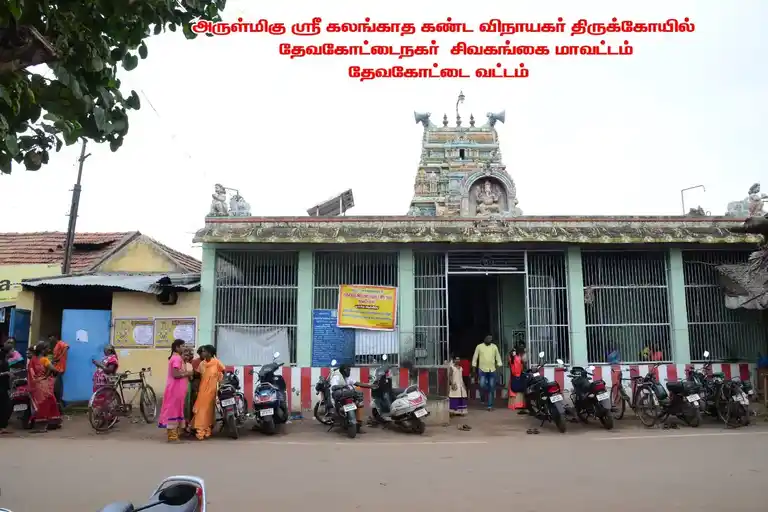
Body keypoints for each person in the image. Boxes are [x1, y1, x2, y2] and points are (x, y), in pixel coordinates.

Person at [158, 339, 192, 442]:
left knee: (177, 410)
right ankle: (172, 436)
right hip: (175, 389)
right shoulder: (176, 358)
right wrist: (188, 373)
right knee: (173, 411)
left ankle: (175, 434)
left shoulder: (178, 358)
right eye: (183, 346)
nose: (184, 348)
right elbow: (176, 374)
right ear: (177, 347)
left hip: (178, 390)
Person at [192, 344, 225, 440]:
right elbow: (198, 375)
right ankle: (200, 431)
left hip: (212, 391)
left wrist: (221, 381)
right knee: (200, 410)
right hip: (202, 390)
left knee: (208, 411)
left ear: (210, 353)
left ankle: (207, 430)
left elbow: (223, 371)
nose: (202, 353)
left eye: (204, 351)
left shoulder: (217, 362)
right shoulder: (202, 364)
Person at [27, 343, 61, 433]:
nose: (48, 350)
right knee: (49, 403)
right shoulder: (44, 359)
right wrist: (53, 371)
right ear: (42, 350)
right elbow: (54, 370)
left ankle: (40, 425)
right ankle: (49, 424)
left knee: (39, 405)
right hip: (44, 385)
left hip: (35, 385)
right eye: (47, 348)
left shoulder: (32, 360)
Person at [329, 363, 366, 433]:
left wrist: (371, 386)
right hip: (338, 397)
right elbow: (333, 387)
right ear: (345, 370)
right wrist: (342, 386)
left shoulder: (347, 378)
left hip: (347, 396)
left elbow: (358, 383)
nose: (349, 372)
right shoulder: (337, 377)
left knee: (358, 394)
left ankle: (358, 424)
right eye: (349, 370)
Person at [471, 335, 502, 411]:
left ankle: (490, 406)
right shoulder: (479, 346)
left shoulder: (494, 347)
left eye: (491, 338)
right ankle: (484, 395)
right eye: (488, 338)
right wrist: (474, 368)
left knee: (491, 387)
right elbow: (475, 357)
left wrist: (498, 366)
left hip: (492, 370)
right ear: (484, 338)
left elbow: (498, 357)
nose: (489, 339)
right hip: (482, 370)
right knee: (482, 385)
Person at [48, 334, 69, 408]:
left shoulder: (60, 343)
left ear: (55, 337)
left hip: (60, 368)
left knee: (57, 385)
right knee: (57, 384)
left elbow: (66, 347)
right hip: (56, 367)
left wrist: (60, 357)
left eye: (51, 338)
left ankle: (60, 402)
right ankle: (60, 401)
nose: (50, 340)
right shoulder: (56, 345)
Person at [182, 347, 197, 434]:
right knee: (184, 406)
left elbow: (191, 377)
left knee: (188, 406)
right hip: (183, 387)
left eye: (191, 354)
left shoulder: (190, 364)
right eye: (187, 355)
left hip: (189, 386)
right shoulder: (181, 363)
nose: (189, 356)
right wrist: (188, 373)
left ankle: (187, 425)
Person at [507, 346, 527, 412]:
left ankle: (513, 405)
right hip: (519, 376)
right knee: (520, 390)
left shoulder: (511, 358)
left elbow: (510, 365)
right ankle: (520, 405)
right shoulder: (519, 358)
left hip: (513, 376)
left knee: (513, 391)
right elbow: (522, 366)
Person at [0, 345, 12, 434]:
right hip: (1, 388)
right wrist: (5, 373)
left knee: (5, 407)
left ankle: (3, 427)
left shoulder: (5, 361)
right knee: (5, 407)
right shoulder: (2, 362)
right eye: (12, 350)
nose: (13, 352)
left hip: (3, 387)